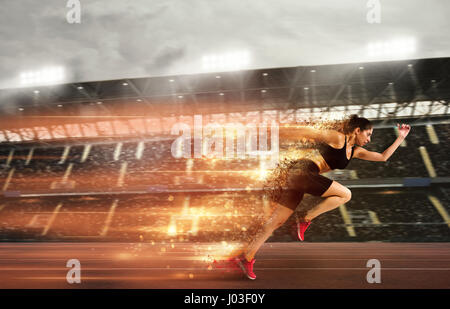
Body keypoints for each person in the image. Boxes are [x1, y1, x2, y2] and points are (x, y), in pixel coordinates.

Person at [233, 114, 411, 280]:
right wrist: (273, 131)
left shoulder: (354, 151)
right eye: (368, 134)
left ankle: (246, 257)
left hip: (301, 178)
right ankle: (303, 218)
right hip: (301, 172)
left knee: (275, 221)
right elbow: (310, 132)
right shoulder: (338, 138)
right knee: (345, 194)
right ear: (357, 130)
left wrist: (401, 137)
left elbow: (382, 157)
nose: (369, 139)